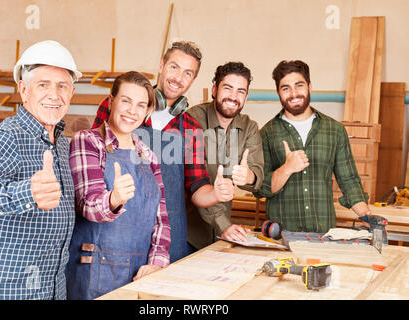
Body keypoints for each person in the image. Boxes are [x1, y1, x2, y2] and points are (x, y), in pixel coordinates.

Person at [0, 40, 80, 299]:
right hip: (4, 290)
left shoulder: (61, 143)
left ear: (72, 92)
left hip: (49, 287)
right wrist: (27, 192)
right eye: (43, 85)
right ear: (24, 90)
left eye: (62, 86)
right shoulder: (6, 135)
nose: (54, 94)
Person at [92, 41, 234, 262]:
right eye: (174, 67)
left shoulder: (190, 128)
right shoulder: (119, 108)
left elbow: (197, 186)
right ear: (161, 65)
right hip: (118, 229)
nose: (179, 78)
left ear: (193, 80)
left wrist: (216, 194)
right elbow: (93, 163)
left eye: (188, 73)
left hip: (168, 238)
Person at [66, 71, 172, 300]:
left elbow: (161, 220)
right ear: (111, 101)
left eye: (141, 105)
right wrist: (113, 199)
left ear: (146, 112)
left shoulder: (149, 156)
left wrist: (156, 263)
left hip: (139, 275)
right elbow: (88, 205)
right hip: (94, 273)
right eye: (126, 101)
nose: (132, 111)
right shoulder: (87, 141)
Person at [254, 60, 371, 233]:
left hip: (323, 234)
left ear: (309, 86)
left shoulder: (334, 130)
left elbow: (349, 181)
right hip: (281, 236)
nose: (293, 93)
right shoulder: (266, 134)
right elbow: (260, 188)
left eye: (299, 85)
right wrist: (287, 168)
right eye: (285, 88)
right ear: (278, 92)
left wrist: (366, 215)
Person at [186, 62, 264, 249]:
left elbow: (256, 177)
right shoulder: (193, 119)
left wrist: (249, 176)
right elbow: (195, 182)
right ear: (214, 89)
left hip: (220, 236)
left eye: (240, 91)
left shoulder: (249, 127)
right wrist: (224, 225)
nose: (233, 97)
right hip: (188, 235)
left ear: (246, 96)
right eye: (227, 88)